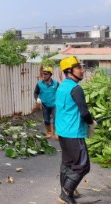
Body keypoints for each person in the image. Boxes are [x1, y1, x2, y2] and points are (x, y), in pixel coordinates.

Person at [55, 56, 97, 204]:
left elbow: (60, 109)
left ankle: (65, 191)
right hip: (73, 132)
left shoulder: (62, 86)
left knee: (67, 163)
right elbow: (84, 112)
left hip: (63, 131)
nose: (82, 70)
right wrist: (91, 123)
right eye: (79, 68)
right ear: (69, 70)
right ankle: (66, 193)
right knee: (82, 166)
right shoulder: (76, 88)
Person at [33, 66, 59, 140]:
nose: (44, 75)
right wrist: (37, 98)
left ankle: (55, 133)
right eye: (43, 74)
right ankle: (49, 132)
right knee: (46, 119)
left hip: (54, 104)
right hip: (45, 105)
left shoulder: (56, 84)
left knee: (56, 118)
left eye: (46, 74)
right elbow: (35, 93)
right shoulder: (39, 84)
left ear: (50, 75)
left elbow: (60, 93)